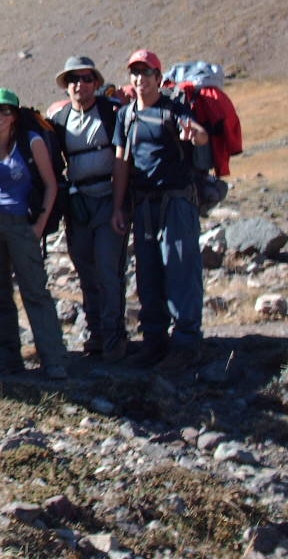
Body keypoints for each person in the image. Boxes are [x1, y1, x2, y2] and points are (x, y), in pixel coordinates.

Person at [111, 49, 210, 372]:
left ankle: (186, 344)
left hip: (176, 201)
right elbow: (121, 161)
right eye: (135, 74)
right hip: (143, 204)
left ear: (158, 78)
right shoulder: (126, 116)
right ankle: (154, 342)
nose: (140, 79)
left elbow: (200, 136)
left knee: (181, 269)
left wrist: (195, 136)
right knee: (148, 272)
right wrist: (118, 206)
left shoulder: (174, 110)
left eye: (146, 73)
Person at [0, 88, 68, 379]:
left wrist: (39, 225)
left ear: (15, 115)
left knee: (34, 291)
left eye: (5, 111)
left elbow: (51, 184)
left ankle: (53, 359)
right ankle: (5, 358)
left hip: (22, 224)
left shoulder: (32, 142)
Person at [48, 55, 126, 361]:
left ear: (96, 82)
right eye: (73, 80)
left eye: (85, 78)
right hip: (78, 205)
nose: (79, 85)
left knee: (109, 269)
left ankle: (114, 336)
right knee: (85, 269)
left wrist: (120, 206)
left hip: (109, 199)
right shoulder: (59, 121)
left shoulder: (112, 113)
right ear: (66, 87)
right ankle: (96, 333)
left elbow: (123, 160)